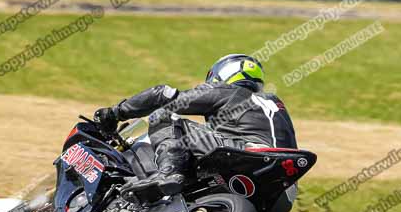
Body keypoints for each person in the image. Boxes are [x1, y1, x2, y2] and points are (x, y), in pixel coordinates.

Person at [94, 54, 297, 197]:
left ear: (223, 75)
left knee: (163, 116)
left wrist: (115, 113)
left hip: (245, 154)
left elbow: (162, 95)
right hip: (283, 186)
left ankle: (168, 172)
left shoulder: (230, 92)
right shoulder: (275, 105)